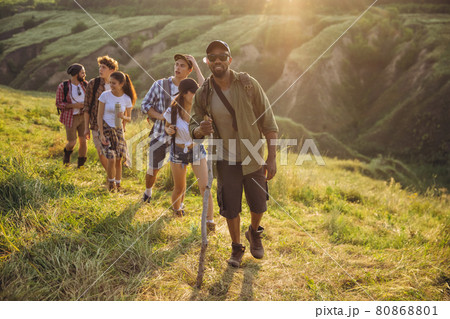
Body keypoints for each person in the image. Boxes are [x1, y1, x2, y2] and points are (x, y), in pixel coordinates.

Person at [189, 40, 279, 267]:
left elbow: (269, 122)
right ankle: (237, 247)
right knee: (230, 206)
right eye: (212, 57)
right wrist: (200, 130)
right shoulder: (204, 93)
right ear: (207, 62)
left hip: (253, 156)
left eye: (222, 56)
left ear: (230, 59)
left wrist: (272, 157)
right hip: (224, 158)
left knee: (259, 204)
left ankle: (254, 232)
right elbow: (193, 125)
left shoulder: (248, 84)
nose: (217, 60)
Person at [141, 54, 204, 203]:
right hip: (160, 135)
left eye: (182, 65)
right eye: (176, 64)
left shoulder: (192, 88)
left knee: (181, 176)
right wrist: (162, 117)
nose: (178, 68)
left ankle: (179, 207)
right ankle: (148, 191)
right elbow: (145, 105)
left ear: (189, 70)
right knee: (153, 168)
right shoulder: (160, 85)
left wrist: (196, 66)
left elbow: (205, 90)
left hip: (182, 139)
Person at [163, 78, 215, 231]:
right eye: (194, 92)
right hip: (178, 150)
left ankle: (209, 221)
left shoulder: (201, 110)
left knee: (205, 187)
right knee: (179, 188)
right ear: (185, 93)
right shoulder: (173, 110)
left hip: (197, 149)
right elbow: (166, 127)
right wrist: (169, 130)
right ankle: (177, 210)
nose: (197, 94)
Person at [97, 71, 137, 192]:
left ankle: (118, 184)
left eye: (113, 83)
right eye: (110, 83)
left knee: (119, 159)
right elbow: (99, 116)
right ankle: (110, 183)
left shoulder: (127, 98)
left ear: (121, 84)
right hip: (106, 129)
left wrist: (123, 116)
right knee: (111, 158)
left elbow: (129, 118)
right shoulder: (105, 95)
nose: (111, 86)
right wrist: (101, 133)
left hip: (119, 131)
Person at [83, 55, 119, 170]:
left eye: (103, 67)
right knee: (101, 152)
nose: (100, 70)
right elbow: (87, 106)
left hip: (113, 125)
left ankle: (113, 178)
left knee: (113, 153)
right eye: (100, 67)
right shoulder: (94, 84)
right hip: (96, 124)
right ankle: (110, 176)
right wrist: (86, 128)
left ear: (112, 70)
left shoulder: (118, 84)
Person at [55, 63, 88, 168]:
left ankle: (81, 165)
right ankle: (67, 155)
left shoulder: (85, 85)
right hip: (71, 118)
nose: (84, 75)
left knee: (83, 140)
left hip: (83, 117)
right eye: (82, 73)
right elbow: (59, 103)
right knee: (72, 142)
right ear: (75, 74)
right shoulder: (63, 86)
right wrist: (74, 105)